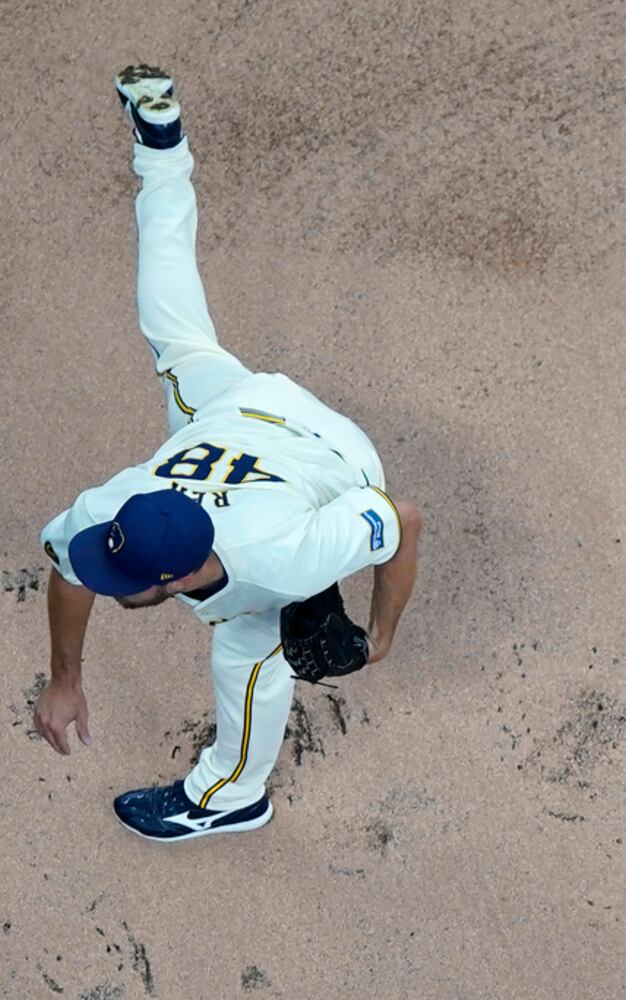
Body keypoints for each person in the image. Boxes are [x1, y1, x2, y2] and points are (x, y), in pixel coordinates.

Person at [32, 65, 423, 842]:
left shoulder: (284, 556)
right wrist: (63, 679)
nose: (105, 575)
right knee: (172, 326)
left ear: (176, 578)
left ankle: (230, 797)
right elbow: (70, 570)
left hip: (332, 456)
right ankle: (162, 153)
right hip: (233, 413)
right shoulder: (112, 505)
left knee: (247, 647)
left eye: (126, 579)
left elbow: (402, 519)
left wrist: (383, 636)